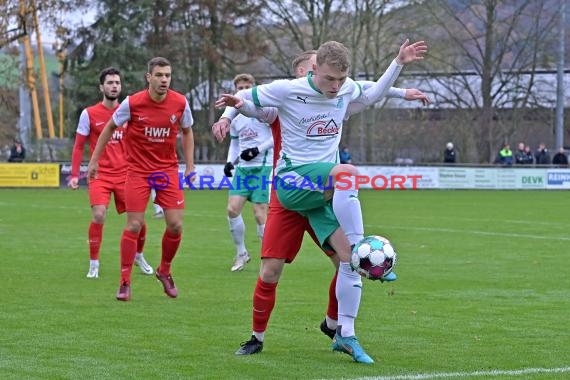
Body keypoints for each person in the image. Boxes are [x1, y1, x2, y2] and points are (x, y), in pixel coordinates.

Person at [215, 39, 428, 363]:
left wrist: (398, 64)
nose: (336, 86)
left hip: (321, 194)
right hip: (289, 186)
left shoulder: (342, 92)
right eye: (329, 79)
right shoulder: (286, 93)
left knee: (349, 263)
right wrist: (231, 114)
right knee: (271, 272)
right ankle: (257, 337)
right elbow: (245, 98)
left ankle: (342, 331)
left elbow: (369, 92)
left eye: (341, 80)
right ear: (309, 72)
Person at [87, 57, 195, 301]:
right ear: (149, 77)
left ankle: (164, 271)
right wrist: (94, 161)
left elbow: (188, 132)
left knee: (176, 225)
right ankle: (124, 281)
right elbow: (108, 128)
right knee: (134, 225)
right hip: (137, 171)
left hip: (166, 170)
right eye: (159, 75)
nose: (164, 80)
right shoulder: (132, 103)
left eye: (167, 75)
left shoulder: (180, 102)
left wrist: (190, 166)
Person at [69, 67, 153, 279]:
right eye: (110, 83)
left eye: (117, 82)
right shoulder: (89, 114)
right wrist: (74, 174)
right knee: (98, 215)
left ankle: (139, 256)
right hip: (101, 174)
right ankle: (94, 263)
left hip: (127, 174)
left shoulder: (129, 110)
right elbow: (79, 146)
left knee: (139, 220)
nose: (114, 86)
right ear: (101, 87)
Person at [223, 74, 273, 272]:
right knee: (232, 209)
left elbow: (277, 138)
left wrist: (257, 150)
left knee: (260, 212)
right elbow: (235, 143)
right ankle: (241, 253)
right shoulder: (234, 117)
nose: (243, 89)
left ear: (253, 88)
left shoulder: (263, 111)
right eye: (240, 87)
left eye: (247, 86)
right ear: (236, 90)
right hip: (243, 169)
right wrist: (229, 162)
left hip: (264, 166)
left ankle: (268, 257)